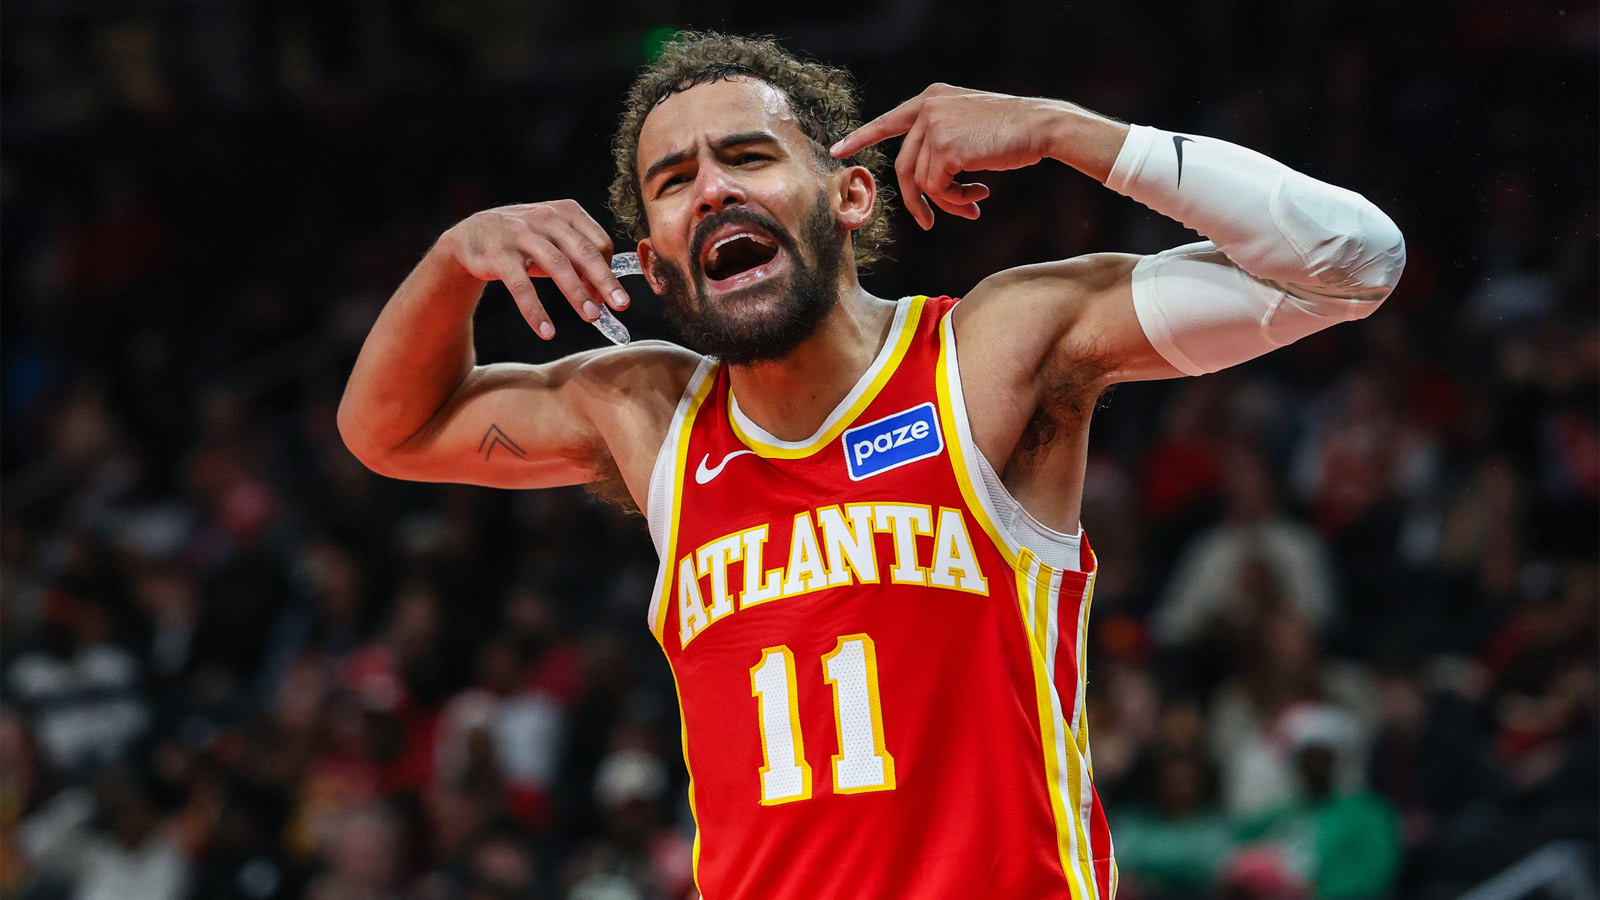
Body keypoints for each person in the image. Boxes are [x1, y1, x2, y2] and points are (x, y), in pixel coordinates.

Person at [337, 31, 1405, 900]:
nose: (711, 191)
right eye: (674, 180)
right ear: (653, 264)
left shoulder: (988, 353)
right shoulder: (648, 415)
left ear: (850, 196)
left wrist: (1065, 131)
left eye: (748, 156)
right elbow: (386, 430)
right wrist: (454, 261)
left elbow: (1353, 264)